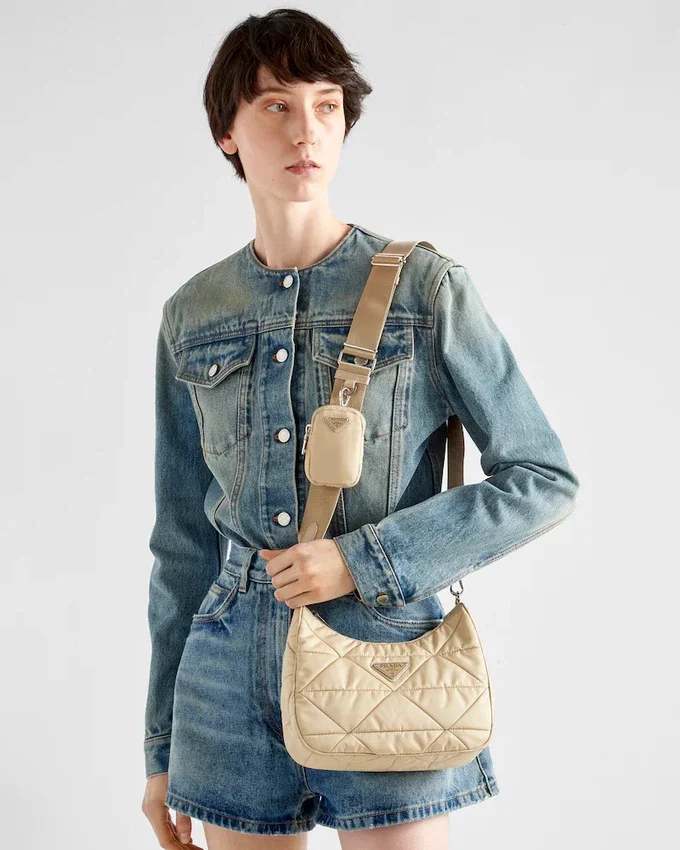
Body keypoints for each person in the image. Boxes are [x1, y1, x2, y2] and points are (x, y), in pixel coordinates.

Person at [141, 9, 580, 849]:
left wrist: (363, 560)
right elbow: (181, 545)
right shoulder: (193, 314)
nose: (306, 129)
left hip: (388, 659)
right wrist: (161, 747)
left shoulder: (425, 288)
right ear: (227, 132)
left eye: (327, 106)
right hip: (223, 678)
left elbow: (543, 479)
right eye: (275, 106)